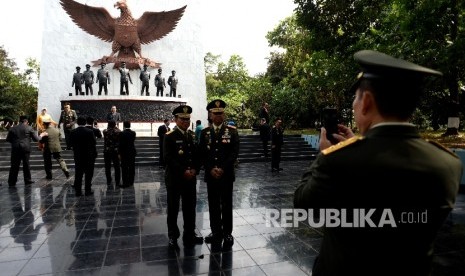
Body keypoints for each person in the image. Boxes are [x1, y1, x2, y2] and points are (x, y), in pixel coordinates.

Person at [293, 50, 462, 276]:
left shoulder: (337, 160)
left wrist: (326, 155)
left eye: (356, 98)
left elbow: (303, 202)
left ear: (367, 103)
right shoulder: (447, 162)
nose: (354, 105)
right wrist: (360, 145)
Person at [198, 99, 240, 247]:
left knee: (226, 204)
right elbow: (202, 154)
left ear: (224, 114)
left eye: (220, 113)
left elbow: (234, 153)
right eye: (215, 114)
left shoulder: (232, 131)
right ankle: (216, 231)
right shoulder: (205, 133)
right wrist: (210, 169)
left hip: (226, 174)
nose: (217, 116)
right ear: (210, 115)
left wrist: (222, 168)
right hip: (211, 175)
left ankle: (227, 233)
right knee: (213, 204)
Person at [164, 105, 203, 247]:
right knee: (173, 208)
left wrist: (195, 170)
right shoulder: (169, 136)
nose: (185, 122)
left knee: (190, 207)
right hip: (175, 179)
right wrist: (183, 171)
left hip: (190, 179)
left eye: (187, 119)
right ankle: (173, 235)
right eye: (182, 119)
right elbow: (168, 158)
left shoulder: (192, 135)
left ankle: (189, 234)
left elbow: (198, 156)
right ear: (175, 119)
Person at [6, 116, 47, 187]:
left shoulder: (13, 128)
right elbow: (36, 139)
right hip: (25, 148)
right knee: (26, 164)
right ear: (26, 121)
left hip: (15, 148)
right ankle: (27, 180)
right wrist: (41, 135)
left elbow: (8, 139)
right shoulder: (29, 128)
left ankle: (12, 181)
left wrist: (15, 142)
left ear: (19, 121)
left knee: (14, 165)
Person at [70, 117, 97, 196]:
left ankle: (78, 191)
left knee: (78, 174)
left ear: (77, 123)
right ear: (85, 123)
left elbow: (70, 143)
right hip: (88, 156)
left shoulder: (73, 132)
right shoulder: (90, 132)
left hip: (78, 156)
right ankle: (87, 190)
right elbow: (93, 142)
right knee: (88, 174)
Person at [103, 120, 121, 187]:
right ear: (115, 124)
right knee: (117, 167)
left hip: (107, 151)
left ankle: (109, 180)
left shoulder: (105, 131)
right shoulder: (118, 132)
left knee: (107, 167)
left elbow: (106, 130)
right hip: (115, 151)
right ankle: (117, 181)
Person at [119, 121, 137, 187]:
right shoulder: (133, 133)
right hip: (132, 151)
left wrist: (119, 153)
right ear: (130, 125)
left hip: (124, 152)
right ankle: (131, 181)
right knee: (132, 167)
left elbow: (120, 144)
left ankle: (125, 182)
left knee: (124, 168)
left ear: (123, 125)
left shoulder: (121, 133)